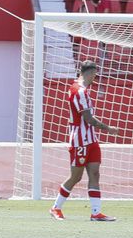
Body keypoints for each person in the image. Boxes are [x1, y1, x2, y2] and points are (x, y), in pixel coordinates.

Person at [51, 60, 120, 222]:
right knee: (76, 177)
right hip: (80, 140)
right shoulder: (79, 91)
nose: (95, 78)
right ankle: (56, 207)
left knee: (94, 173)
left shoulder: (81, 90)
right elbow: (88, 119)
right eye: (94, 74)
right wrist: (108, 129)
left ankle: (96, 212)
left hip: (91, 140)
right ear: (90, 73)